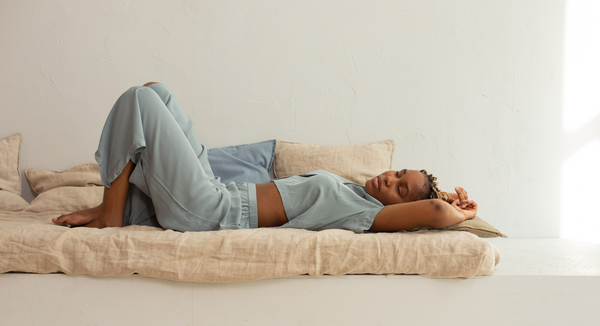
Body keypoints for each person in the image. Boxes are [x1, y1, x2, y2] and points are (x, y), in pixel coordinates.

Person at [52, 83, 477, 233]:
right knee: (156, 90)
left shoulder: (362, 215)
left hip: (212, 212)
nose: (390, 179)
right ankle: (111, 205)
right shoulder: (351, 190)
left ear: (404, 209)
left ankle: (110, 215)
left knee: (139, 99)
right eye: (398, 172)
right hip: (217, 193)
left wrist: (463, 212)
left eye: (401, 189)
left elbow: (437, 210)